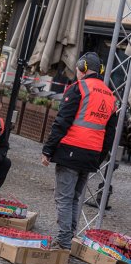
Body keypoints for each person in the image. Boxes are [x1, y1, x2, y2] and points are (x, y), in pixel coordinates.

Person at [41, 52, 117, 250]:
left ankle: (64, 241)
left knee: (64, 198)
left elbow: (62, 122)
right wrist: (99, 159)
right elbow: (109, 135)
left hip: (71, 151)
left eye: (77, 68)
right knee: (74, 198)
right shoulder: (110, 96)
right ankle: (69, 237)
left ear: (82, 67)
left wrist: (48, 150)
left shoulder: (79, 88)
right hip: (91, 155)